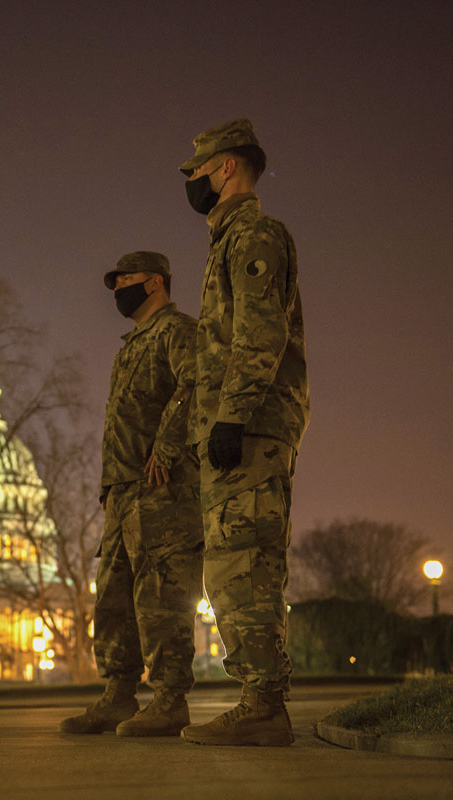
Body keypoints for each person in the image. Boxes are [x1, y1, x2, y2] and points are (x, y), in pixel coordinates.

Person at [176, 120, 310, 747]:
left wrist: (231, 416)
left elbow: (259, 333)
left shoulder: (254, 235)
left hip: (250, 427)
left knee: (245, 563)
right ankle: (258, 699)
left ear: (226, 167)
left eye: (196, 171)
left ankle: (263, 705)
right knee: (232, 565)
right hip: (237, 424)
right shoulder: (229, 239)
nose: (191, 183)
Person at [60, 251, 202, 737]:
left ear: (156, 282)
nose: (119, 289)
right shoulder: (130, 346)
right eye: (116, 282)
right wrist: (109, 489)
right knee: (114, 598)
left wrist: (167, 445)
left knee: (162, 595)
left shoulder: (178, 332)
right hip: (122, 493)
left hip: (162, 490)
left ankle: (169, 699)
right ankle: (119, 693)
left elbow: (197, 383)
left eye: (127, 280)